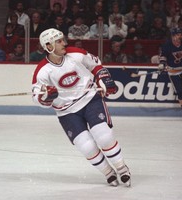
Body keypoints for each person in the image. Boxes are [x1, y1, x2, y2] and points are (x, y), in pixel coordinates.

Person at [32, 28, 131, 187]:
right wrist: (45, 97)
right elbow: (37, 98)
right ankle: (108, 172)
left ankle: (121, 168)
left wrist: (103, 78)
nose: (64, 43)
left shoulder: (75, 54)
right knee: (86, 146)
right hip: (67, 112)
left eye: (63, 39)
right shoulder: (42, 71)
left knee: (104, 136)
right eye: (59, 41)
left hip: (90, 99)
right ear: (49, 46)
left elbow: (96, 65)